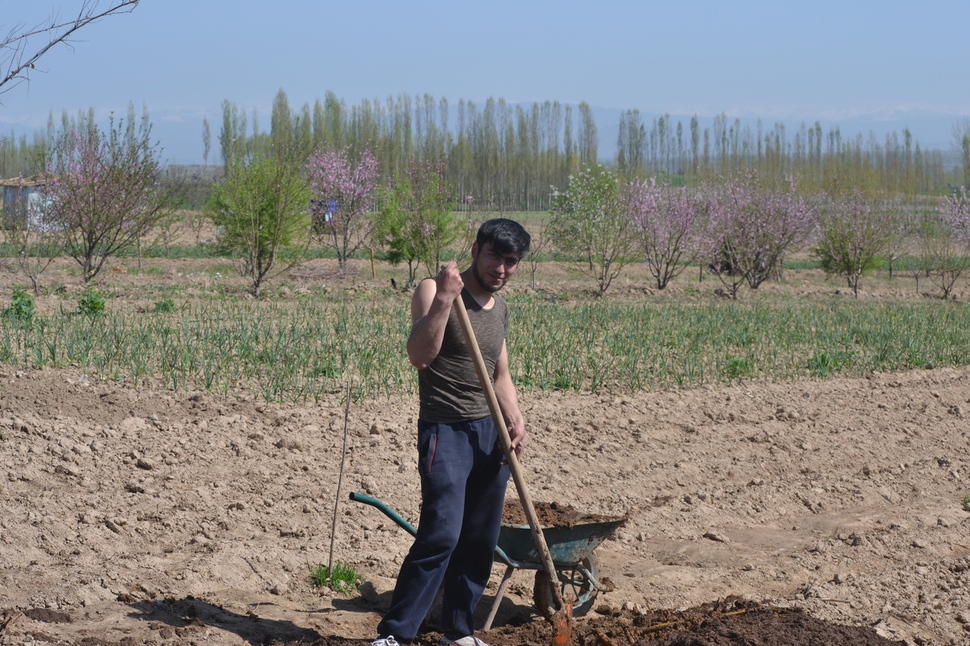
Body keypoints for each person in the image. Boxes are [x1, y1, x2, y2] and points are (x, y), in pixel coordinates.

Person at [372, 219, 531, 646]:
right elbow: (419, 355)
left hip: (489, 433)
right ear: (477, 250)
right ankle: (394, 635)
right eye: (495, 256)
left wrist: (515, 419)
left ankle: (458, 632)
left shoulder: (499, 310)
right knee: (442, 533)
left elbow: (501, 375)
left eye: (510, 261)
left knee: (480, 539)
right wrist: (444, 298)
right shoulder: (432, 288)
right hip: (446, 430)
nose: (501, 268)